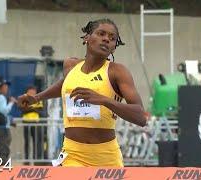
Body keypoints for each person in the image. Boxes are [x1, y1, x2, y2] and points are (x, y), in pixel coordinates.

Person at [18, 19, 147, 167]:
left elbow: (141, 117)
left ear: (113, 48)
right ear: (87, 37)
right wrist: (36, 97)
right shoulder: (71, 65)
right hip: (72, 154)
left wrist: (103, 100)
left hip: (106, 157)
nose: (106, 39)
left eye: (112, 38)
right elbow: (65, 84)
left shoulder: (117, 72)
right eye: (101, 34)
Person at [0, 77, 17, 164]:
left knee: (1, 149)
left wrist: (10, 121)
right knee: (4, 151)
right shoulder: (1, 97)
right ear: (0, 87)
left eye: (7, 87)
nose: (6, 88)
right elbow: (4, 111)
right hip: (2, 128)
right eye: (4, 86)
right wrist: (11, 102)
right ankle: (4, 170)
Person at [21, 86, 44, 165]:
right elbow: (23, 110)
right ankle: (27, 160)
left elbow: (40, 110)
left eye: (34, 92)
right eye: (30, 92)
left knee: (36, 142)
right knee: (27, 142)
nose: (32, 93)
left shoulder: (38, 99)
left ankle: (36, 160)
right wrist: (33, 108)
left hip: (35, 122)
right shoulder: (24, 99)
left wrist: (30, 108)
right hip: (26, 122)